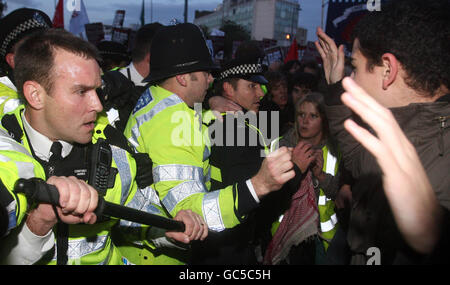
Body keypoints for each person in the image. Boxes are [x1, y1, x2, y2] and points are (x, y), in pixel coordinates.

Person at [0, 29, 207, 265]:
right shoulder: (7, 148)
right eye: (81, 91)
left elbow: (138, 217)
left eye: (97, 90)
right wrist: (40, 221)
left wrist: (168, 232)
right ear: (35, 95)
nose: (98, 105)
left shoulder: (111, 151)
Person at [123, 23, 295, 265]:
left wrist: (210, 108)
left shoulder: (156, 99)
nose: (211, 78)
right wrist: (259, 185)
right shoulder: (174, 122)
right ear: (183, 77)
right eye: (205, 72)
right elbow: (190, 214)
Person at [315, 0, 449, 264]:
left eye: (354, 66)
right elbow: (358, 158)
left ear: (388, 69)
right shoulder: (398, 129)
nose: (350, 78)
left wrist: (435, 231)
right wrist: (335, 88)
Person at [191, 56, 270, 264]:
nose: (260, 93)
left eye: (260, 86)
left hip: (209, 238)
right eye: (251, 86)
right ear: (228, 88)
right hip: (231, 245)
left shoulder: (211, 117)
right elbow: (257, 194)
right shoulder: (239, 130)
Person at [261, 93, 347, 265]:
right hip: (285, 236)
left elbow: (339, 197)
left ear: (324, 119)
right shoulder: (278, 145)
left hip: (324, 239)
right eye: (301, 115)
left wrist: (319, 174)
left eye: (313, 116)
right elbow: (266, 195)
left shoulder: (334, 149)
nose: (305, 121)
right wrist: (295, 169)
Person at [0, 8, 51, 115]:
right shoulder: (6, 102)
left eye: (51, 45)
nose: (49, 53)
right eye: (37, 48)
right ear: (13, 60)